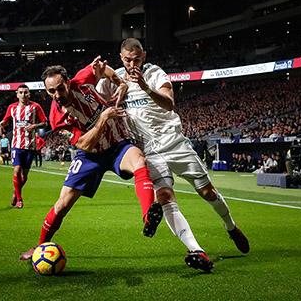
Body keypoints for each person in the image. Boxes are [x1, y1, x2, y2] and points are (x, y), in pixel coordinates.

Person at [99, 39, 249, 258]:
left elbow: (169, 104)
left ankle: (230, 226)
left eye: (137, 59)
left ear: (144, 56)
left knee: (207, 192)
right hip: (147, 151)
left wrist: (145, 88)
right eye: (128, 60)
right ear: (121, 58)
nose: (133, 64)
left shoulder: (154, 73)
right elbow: (92, 96)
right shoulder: (113, 80)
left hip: (174, 143)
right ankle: (196, 250)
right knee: (166, 197)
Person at [19, 57, 163, 261]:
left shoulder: (82, 80)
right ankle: (40, 246)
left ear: (68, 82)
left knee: (139, 160)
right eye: (51, 91)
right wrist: (103, 118)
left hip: (116, 145)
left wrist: (120, 83)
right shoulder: (57, 117)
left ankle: (148, 216)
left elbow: (102, 68)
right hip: (89, 156)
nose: (57, 95)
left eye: (60, 88)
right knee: (62, 204)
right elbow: (84, 144)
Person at [0, 84, 47, 208]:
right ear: (17, 94)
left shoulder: (36, 107)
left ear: (29, 94)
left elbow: (45, 122)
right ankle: (19, 199)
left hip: (30, 145)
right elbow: (5, 120)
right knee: (17, 170)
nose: (23, 95)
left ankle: (15, 192)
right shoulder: (12, 108)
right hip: (16, 144)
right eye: (21, 92)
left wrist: (34, 126)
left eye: (26, 92)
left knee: (24, 175)